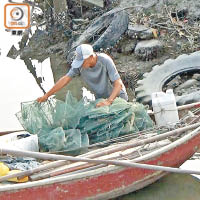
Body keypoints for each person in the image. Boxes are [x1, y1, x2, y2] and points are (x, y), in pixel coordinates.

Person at [37, 44, 128, 107]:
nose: (81, 64)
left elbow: (118, 83)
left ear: (91, 57)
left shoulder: (105, 61)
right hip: (100, 100)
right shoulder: (79, 66)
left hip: (117, 97)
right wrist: (47, 95)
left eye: (83, 61)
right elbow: (65, 79)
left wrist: (109, 101)